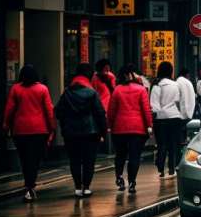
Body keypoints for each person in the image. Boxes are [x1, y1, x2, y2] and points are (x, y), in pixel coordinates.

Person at [3, 64, 55, 201]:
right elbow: (49, 111)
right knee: (35, 159)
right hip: (39, 129)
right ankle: (30, 185)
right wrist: (52, 128)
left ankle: (28, 185)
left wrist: (6, 125)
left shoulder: (16, 89)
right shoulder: (43, 89)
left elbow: (9, 109)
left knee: (25, 159)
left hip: (20, 130)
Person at [56, 63, 108, 197]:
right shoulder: (92, 93)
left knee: (74, 160)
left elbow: (58, 112)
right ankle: (86, 187)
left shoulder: (67, 93)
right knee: (88, 161)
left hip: (71, 133)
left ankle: (77, 187)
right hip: (90, 132)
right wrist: (103, 131)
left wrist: (65, 126)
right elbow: (100, 113)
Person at [107, 64, 152, 193]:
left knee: (120, 155)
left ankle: (119, 177)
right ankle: (132, 182)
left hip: (119, 129)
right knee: (134, 156)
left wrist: (109, 125)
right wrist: (149, 125)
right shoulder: (141, 90)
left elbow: (111, 111)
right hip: (137, 129)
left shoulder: (117, 90)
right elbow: (146, 110)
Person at [150, 61, 183, 176]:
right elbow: (178, 101)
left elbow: (154, 105)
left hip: (161, 118)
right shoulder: (175, 85)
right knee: (172, 144)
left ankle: (161, 169)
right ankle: (172, 168)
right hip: (175, 117)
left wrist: (157, 116)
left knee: (162, 144)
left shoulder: (157, 85)